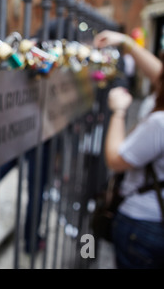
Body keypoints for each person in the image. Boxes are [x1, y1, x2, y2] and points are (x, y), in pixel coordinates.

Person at [94, 30, 164, 268]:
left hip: (143, 223)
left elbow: (115, 159)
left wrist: (119, 111)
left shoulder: (159, 123)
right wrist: (126, 43)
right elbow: (159, 74)